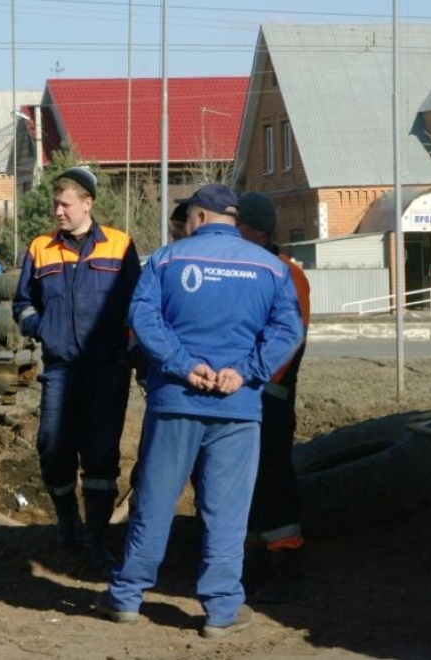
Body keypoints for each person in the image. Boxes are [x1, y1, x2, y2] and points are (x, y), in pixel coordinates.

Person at [95, 183, 304, 639]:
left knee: (154, 500)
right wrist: (248, 372)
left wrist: (184, 366)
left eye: (189, 216)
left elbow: (143, 319)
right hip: (239, 406)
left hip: (176, 401)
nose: (185, 223)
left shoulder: (168, 260)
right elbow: (290, 330)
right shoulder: (271, 268)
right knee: (227, 511)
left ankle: (128, 596)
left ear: (202, 217)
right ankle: (222, 610)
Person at [12, 166, 141, 575]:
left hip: (106, 369)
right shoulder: (41, 248)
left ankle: (97, 540)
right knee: (53, 446)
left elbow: (138, 306)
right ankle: (67, 521)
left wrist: (131, 352)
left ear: (88, 204)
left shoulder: (120, 246)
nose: (58, 212)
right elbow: (22, 304)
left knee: (101, 455)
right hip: (61, 369)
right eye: (55, 204)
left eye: (65, 204)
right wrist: (42, 327)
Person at [235, 192, 311, 603]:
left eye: (239, 224)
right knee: (244, 481)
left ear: (258, 230)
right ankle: (252, 559)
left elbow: (289, 337)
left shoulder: (286, 273)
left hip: (269, 398)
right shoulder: (244, 266)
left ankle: (286, 564)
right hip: (247, 392)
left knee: (272, 477)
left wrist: (256, 379)